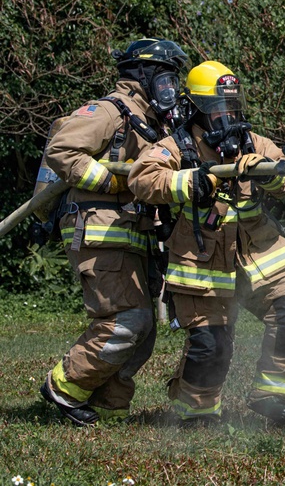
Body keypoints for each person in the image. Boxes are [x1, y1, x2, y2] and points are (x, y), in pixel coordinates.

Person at [128, 60, 285, 427]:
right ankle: (195, 416)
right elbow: (141, 178)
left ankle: (276, 398)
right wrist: (188, 182)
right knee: (212, 346)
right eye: (216, 108)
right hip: (202, 263)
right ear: (195, 109)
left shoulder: (253, 142)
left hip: (260, 257)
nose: (226, 116)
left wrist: (270, 173)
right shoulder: (176, 146)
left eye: (232, 106)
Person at [40, 37, 190, 426]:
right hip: (98, 232)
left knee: (144, 331)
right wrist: (113, 184)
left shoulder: (153, 124)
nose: (170, 89)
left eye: (174, 81)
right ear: (142, 76)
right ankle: (64, 387)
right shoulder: (109, 111)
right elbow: (63, 150)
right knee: (127, 320)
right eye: (165, 79)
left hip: (132, 235)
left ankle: (105, 403)